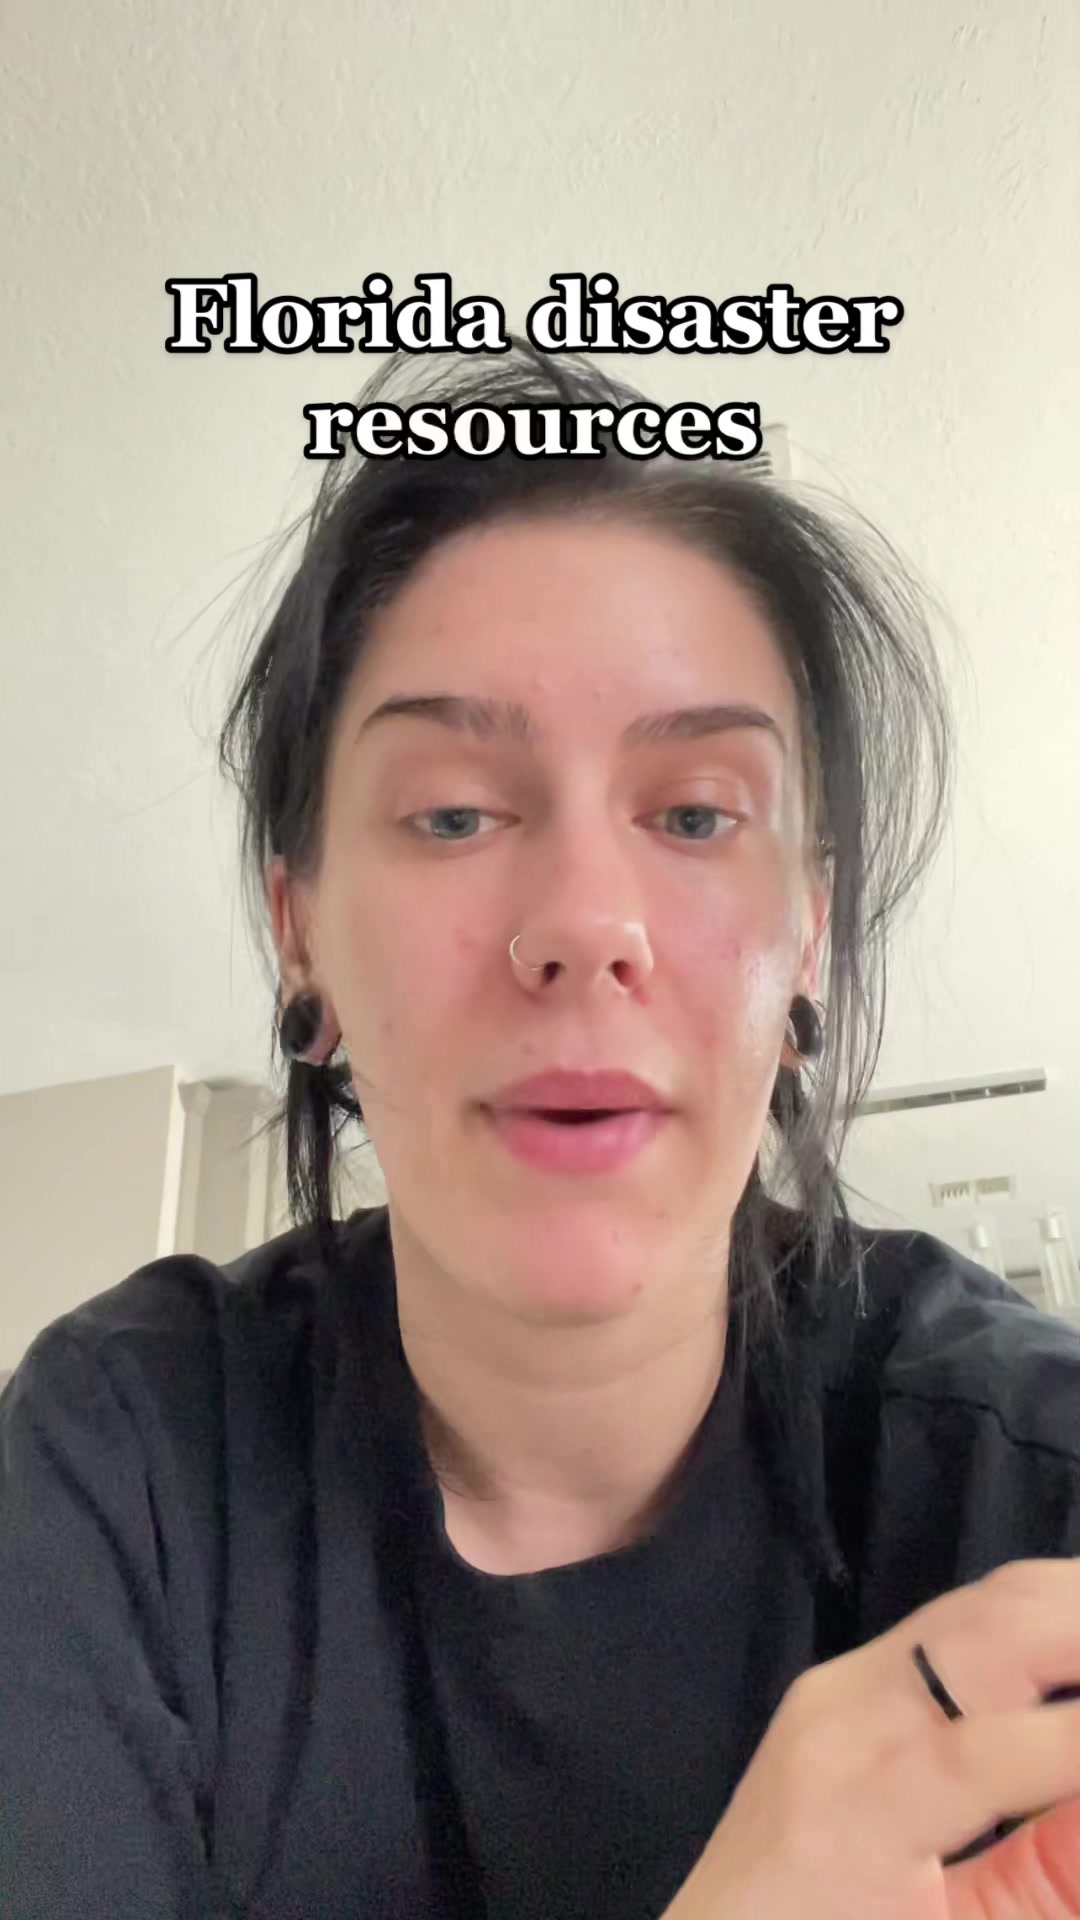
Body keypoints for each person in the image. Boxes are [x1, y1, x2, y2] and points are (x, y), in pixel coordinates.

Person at [3, 343, 1080, 1920]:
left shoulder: (1029, 1484)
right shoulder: (120, 1464)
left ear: (810, 936)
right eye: (453, 813)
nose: (584, 923)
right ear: (300, 935)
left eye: (697, 814)